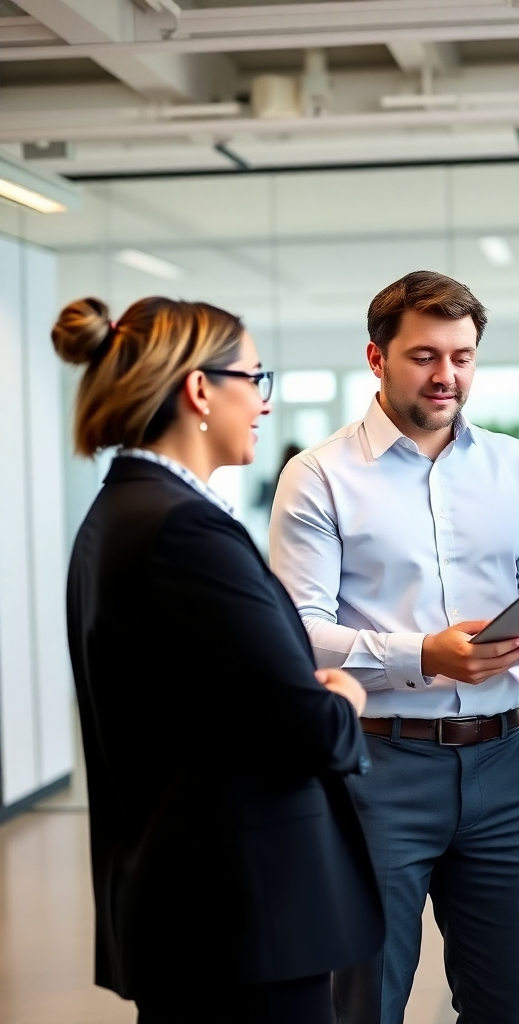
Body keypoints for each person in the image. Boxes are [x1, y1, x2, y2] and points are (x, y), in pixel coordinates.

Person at [269, 270, 519, 1024]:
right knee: (364, 1003)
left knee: (507, 1003)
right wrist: (426, 655)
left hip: (504, 766)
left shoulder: (515, 466)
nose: (447, 376)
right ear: (377, 359)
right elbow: (298, 633)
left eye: (463, 356)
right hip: (377, 768)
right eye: (425, 356)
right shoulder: (318, 476)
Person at [55, 296, 384, 1024]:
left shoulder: (121, 513)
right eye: (255, 379)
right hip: (241, 915)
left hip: (194, 905)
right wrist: (344, 700)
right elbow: (312, 728)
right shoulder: (184, 532)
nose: (264, 404)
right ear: (201, 390)